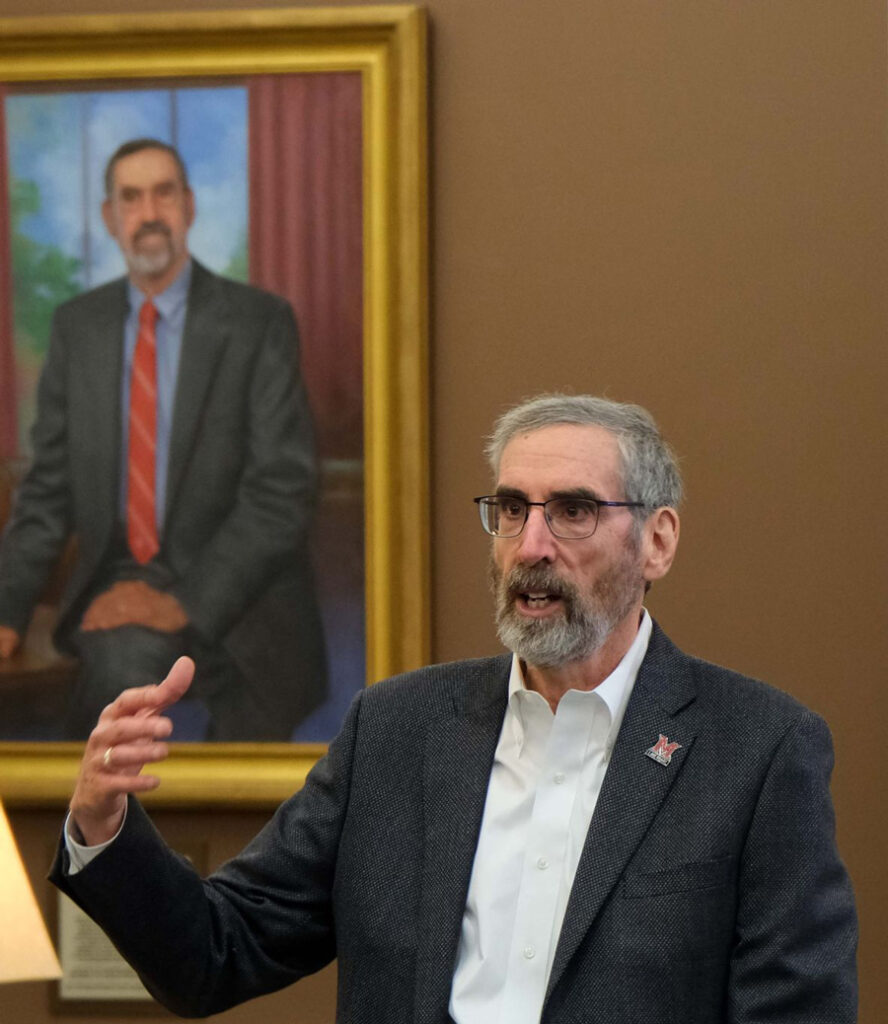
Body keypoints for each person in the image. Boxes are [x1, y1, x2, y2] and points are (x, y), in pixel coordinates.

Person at [50, 394, 857, 1022]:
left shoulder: (758, 749)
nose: (531, 545)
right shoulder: (396, 731)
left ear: (658, 541)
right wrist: (102, 826)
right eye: (511, 510)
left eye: (572, 511)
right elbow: (214, 956)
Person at [0, 138, 326, 740]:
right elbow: (46, 495)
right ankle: (98, 835)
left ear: (189, 206)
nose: (148, 212)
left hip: (246, 594)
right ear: (108, 217)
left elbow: (281, 493)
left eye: (163, 193)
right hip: (120, 587)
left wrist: (182, 602)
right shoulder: (78, 329)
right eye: (130, 196)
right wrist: (7, 612)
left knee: (254, 778)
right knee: (110, 692)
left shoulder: (259, 323)